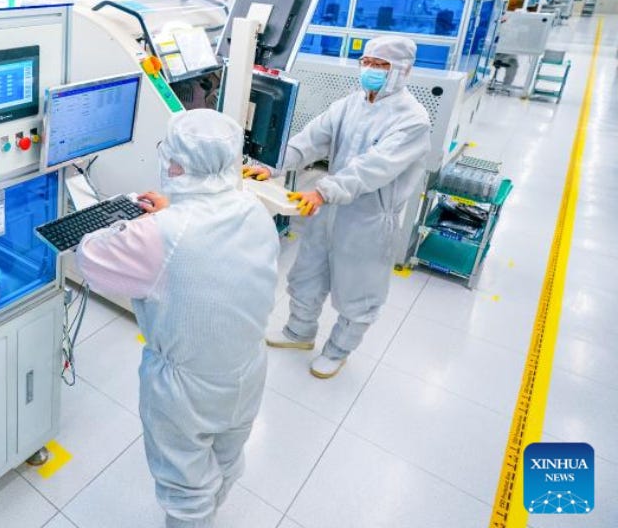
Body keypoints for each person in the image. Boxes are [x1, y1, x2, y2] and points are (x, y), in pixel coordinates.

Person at [77, 110, 279, 528]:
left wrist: (142, 222)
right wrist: (174, 209)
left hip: (187, 390)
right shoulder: (253, 208)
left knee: (185, 487)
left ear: (175, 163)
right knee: (226, 456)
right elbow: (206, 238)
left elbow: (89, 257)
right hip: (246, 368)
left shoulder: (158, 235)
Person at [244, 36, 431, 379]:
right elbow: (311, 139)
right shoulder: (350, 104)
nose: (371, 71)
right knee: (306, 275)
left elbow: (374, 167)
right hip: (329, 209)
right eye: (367, 62)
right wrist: (272, 165)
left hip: (368, 218)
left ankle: (337, 351)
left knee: (357, 291)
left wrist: (325, 189)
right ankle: (299, 333)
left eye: (381, 65)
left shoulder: (413, 120)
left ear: (404, 71)